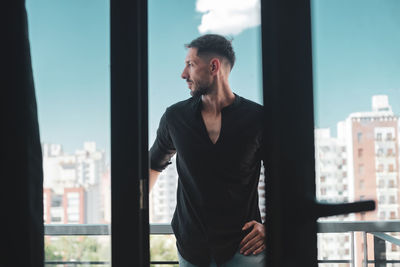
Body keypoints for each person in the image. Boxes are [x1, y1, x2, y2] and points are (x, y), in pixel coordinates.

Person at [149, 34, 266, 267]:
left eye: (190, 65)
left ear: (214, 66)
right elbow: (152, 165)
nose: (184, 74)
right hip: (192, 251)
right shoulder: (175, 117)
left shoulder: (258, 119)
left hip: (245, 250)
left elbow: (288, 179)